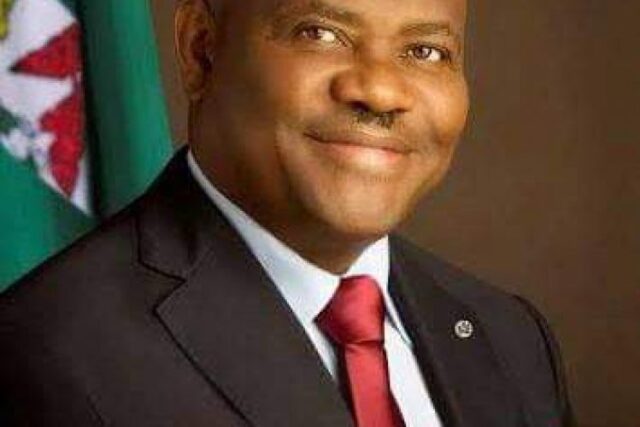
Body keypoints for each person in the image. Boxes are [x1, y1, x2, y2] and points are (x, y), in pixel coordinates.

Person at [0, 0, 574, 425]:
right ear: (201, 49)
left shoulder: (511, 339)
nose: (380, 91)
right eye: (320, 33)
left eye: (426, 51)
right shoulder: (45, 356)